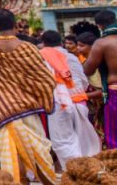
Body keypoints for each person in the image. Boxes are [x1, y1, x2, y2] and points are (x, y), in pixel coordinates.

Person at [0, 9, 56, 185]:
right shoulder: (28, 48)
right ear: (16, 24)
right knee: (38, 150)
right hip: (26, 108)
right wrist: (38, 96)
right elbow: (46, 79)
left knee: (8, 154)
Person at [40, 30, 99, 169]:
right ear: (60, 42)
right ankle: (89, 170)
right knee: (83, 139)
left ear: (44, 43)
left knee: (63, 141)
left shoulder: (41, 57)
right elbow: (84, 81)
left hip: (59, 104)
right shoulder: (71, 57)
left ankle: (75, 171)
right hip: (79, 102)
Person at [83, 9, 117, 150]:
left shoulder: (102, 43)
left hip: (115, 91)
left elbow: (88, 70)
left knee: (115, 136)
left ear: (99, 26)